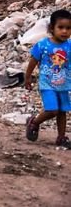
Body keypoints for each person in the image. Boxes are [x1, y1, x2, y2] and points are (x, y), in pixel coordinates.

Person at [25, 9, 71, 148]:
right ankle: (34, 122)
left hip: (63, 84)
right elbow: (33, 61)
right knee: (52, 110)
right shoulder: (43, 45)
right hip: (47, 84)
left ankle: (61, 137)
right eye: (61, 27)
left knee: (63, 111)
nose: (64, 31)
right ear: (52, 28)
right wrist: (27, 78)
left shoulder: (69, 46)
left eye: (68, 28)